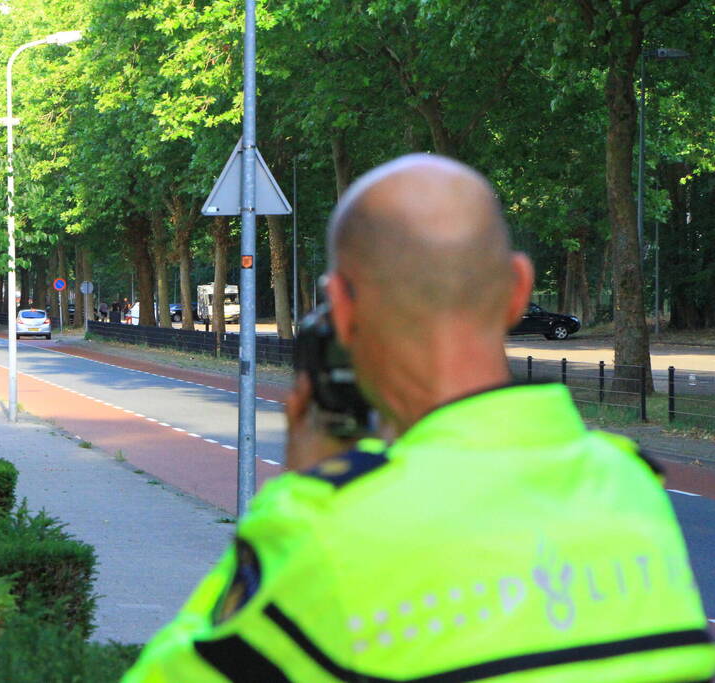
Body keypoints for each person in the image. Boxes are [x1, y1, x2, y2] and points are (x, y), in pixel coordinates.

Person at [123, 155, 715, 682]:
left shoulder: (324, 531)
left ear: (344, 308)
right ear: (518, 289)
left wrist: (310, 489)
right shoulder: (633, 486)